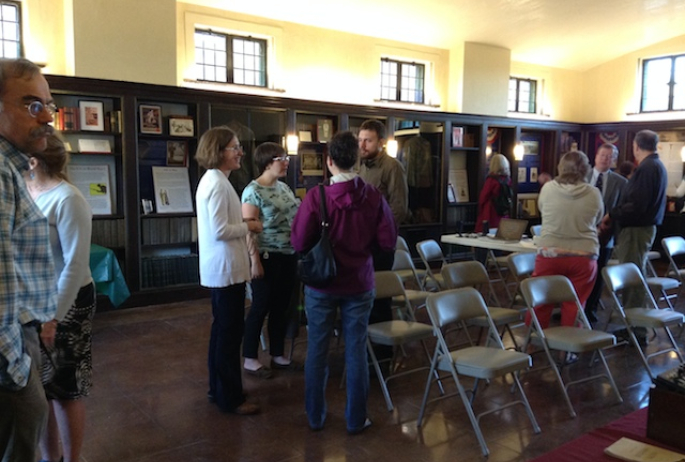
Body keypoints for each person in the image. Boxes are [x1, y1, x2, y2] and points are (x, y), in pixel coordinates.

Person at [291, 131, 397, 434]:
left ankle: (315, 416)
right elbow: (388, 241)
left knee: (317, 350)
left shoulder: (317, 196)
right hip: (360, 283)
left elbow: (298, 240)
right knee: (356, 351)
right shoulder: (373, 196)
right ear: (357, 159)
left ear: (329, 162)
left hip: (322, 285)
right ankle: (355, 418)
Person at [0, 58, 58, 462]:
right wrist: (17, 371)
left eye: (49, 106)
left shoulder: (11, 169)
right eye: (31, 105)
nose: (48, 117)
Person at [27, 135, 95, 462]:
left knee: (65, 388)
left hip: (68, 302)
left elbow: (75, 264)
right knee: (39, 391)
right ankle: (48, 458)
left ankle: (73, 458)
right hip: (33, 302)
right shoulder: (26, 193)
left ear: (33, 160)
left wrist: (53, 316)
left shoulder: (69, 199)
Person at [195, 125, 263, 415]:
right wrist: (250, 226)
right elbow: (221, 230)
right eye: (235, 147)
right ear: (218, 151)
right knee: (229, 335)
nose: (240, 153)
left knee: (222, 332)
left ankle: (219, 389)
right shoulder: (217, 184)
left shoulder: (216, 180)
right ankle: (229, 398)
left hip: (223, 268)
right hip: (225, 269)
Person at [241, 142, 300, 378]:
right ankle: (250, 358)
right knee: (260, 307)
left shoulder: (284, 188)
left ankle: (277, 355)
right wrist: (254, 261)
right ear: (267, 162)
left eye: (286, 157)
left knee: (281, 307)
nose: (286, 162)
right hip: (265, 256)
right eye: (281, 158)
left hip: (288, 254)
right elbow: (248, 229)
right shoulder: (252, 191)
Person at [529, 151, 603, 329]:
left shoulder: (548, 188)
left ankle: (533, 340)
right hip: (584, 255)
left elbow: (541, 209)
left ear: (560, 168)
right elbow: (598, 218)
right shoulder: (594, 193)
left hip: (550, 252)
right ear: (586, 169)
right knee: (575, 302)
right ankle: (568, 348)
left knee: (541, 300)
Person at [358, 119, 406, 363]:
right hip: (359, 243)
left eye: (368, 140)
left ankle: (381, 355)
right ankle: (363, 348)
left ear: (381, 142)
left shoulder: (391, 167)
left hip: (380, 244)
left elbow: (398, 208)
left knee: (379, 298)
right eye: (360, 140)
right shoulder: (357, 164)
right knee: (363, 296)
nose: (363, 145)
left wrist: (383, 237)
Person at [602, 130, 667, 308]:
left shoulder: (647, 168)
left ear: (636, 146)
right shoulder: (656, 165)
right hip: (643, 227)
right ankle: (635, 321)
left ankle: (635, 324)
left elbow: (637, 205)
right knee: (635, 271)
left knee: (632, 275)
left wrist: (612, 214)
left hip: (636, 230)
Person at [584, 144, 627, 322]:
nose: (605, 159)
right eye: (603, 155)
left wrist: (607, 225)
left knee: (598, 273)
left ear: (614, 160)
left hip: (605, 235)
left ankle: (591, 309)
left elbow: (622, 207)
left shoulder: (621, 182)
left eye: (610, 156)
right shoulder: (582, 177)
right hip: (582, 232)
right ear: (596, 156)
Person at [474, 154, 511, 234]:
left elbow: (483, 197)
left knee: (486, 233)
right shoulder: (507, 179)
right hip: (503, 211)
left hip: (491, 211)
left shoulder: (491, 179)